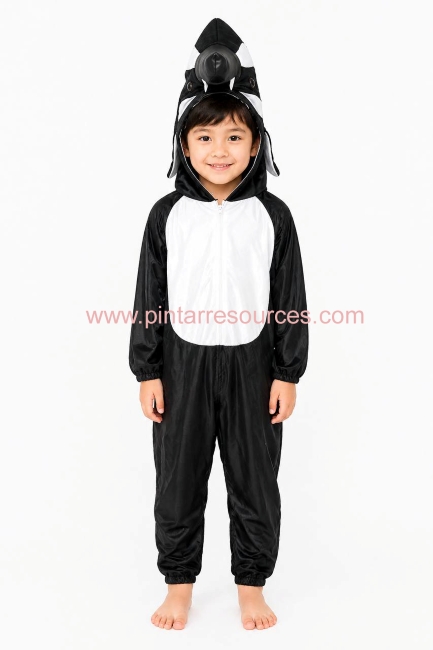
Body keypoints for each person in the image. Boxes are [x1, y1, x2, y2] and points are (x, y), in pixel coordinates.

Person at [129, 17, 309, 631]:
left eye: (234, 136)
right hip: (182, 364)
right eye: (204, 137)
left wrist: (287, 372)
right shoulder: (167, 214)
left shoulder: (273, 215)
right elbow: (149, 296)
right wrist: (148, 370)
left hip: (253, 364)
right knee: (178, 479)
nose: (219, 150)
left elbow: (289, 297)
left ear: (255, 145)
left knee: (254, 479)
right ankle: (178, 585)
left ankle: (251, 586)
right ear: (185, 146)